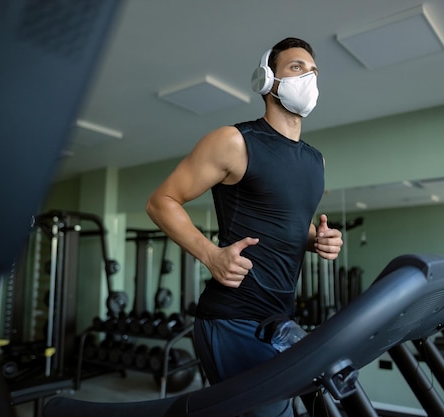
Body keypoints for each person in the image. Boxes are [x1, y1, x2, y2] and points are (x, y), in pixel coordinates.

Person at [146, 37, 343, 417]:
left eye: (314, 72)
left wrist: (315, 240)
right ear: (267, 79)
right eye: (298, 68)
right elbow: (161, 202)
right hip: (232, 317)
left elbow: (284, 225)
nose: (310, 78)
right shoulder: (234, 141)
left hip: (280, 317)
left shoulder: (314, 161)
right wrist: (210, 254)